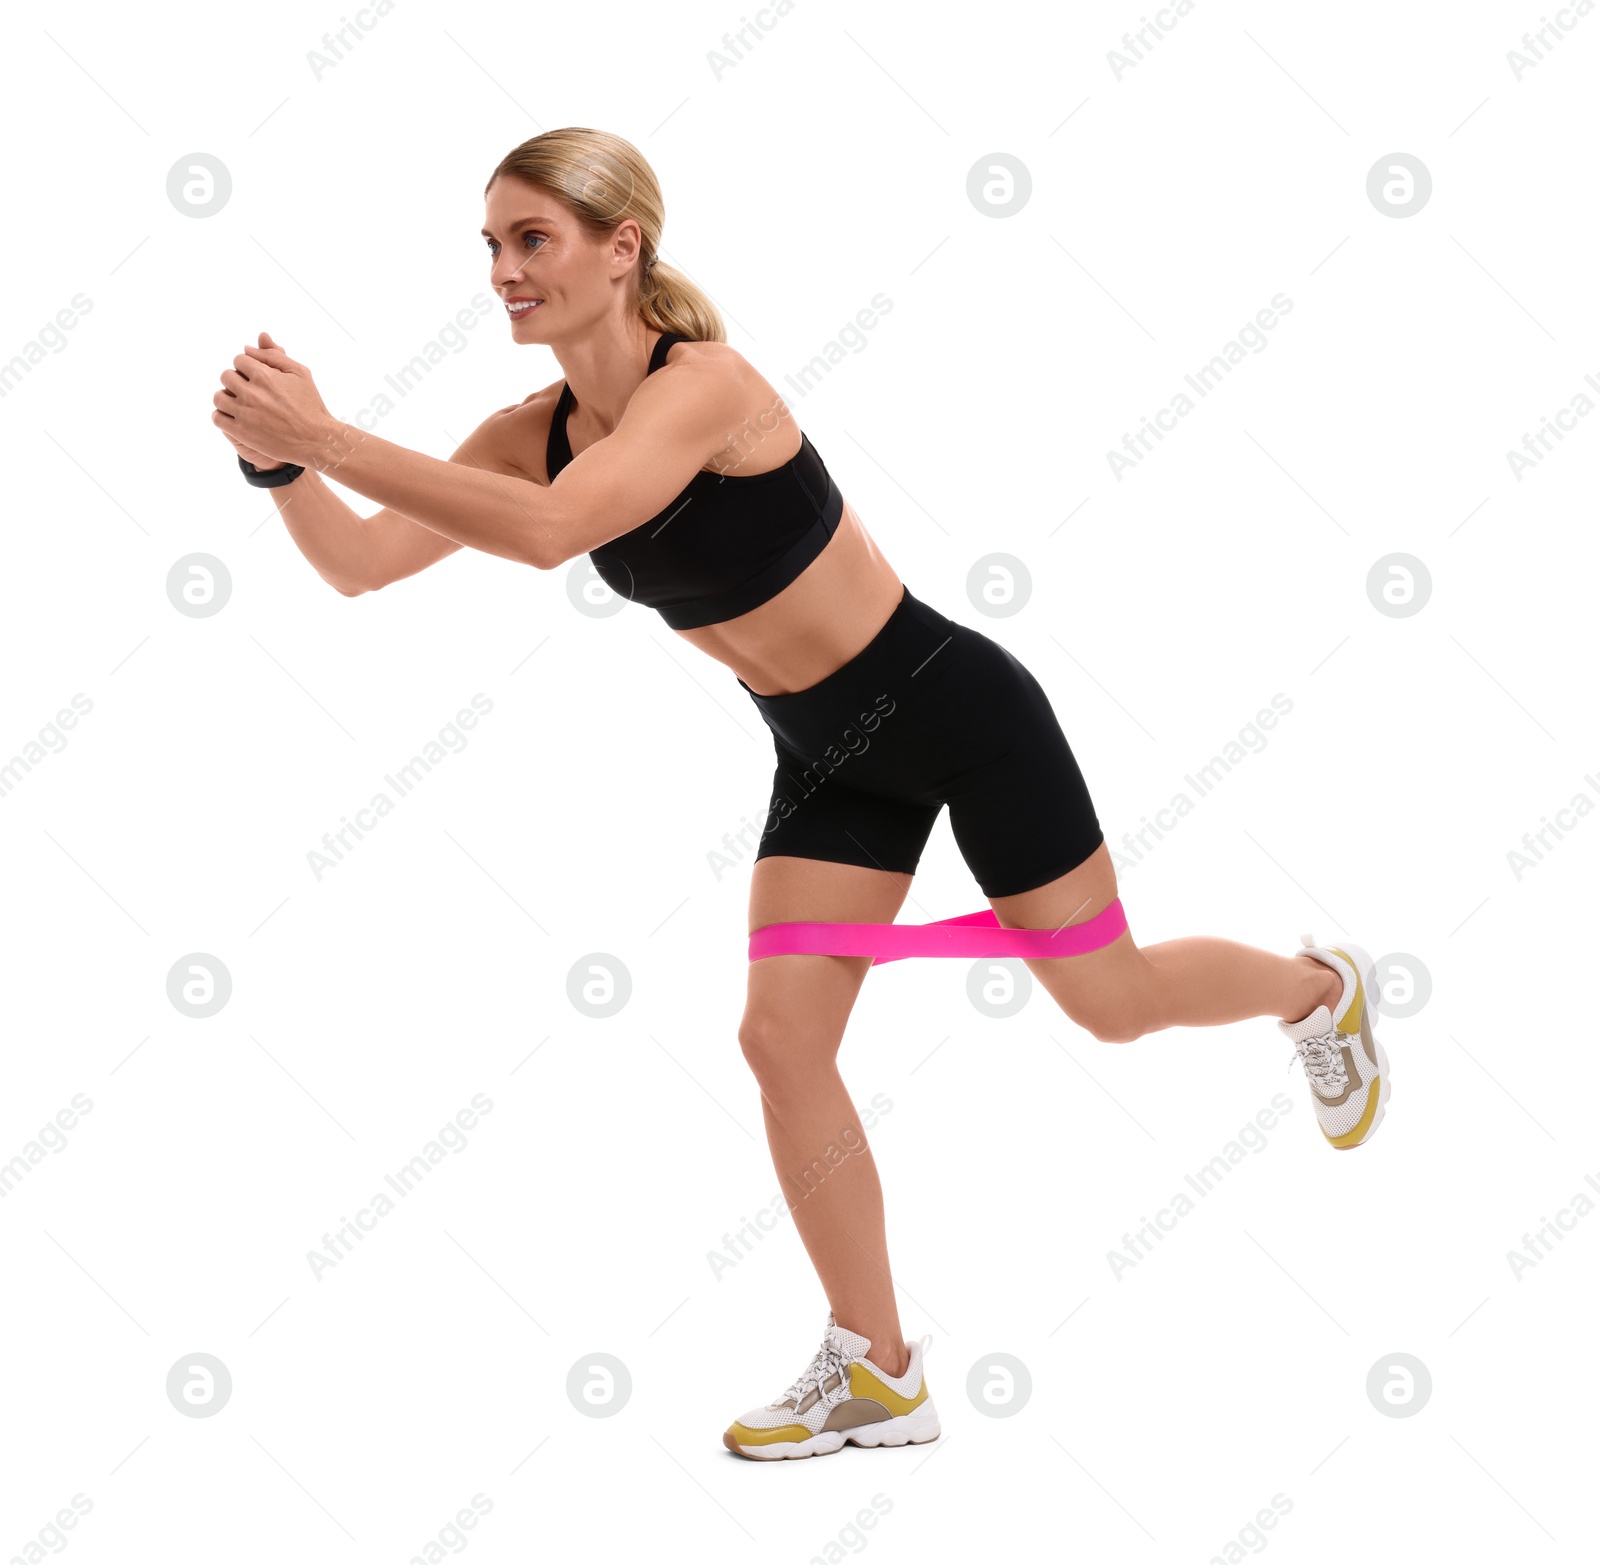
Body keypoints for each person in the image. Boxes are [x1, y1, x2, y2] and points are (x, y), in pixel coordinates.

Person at [212, 126, 1391, 1463]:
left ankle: (1317, 991)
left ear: (623, 247)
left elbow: (554, 532)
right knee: (779, 1043)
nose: (503, 269)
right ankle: (877, 1367)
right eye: (489, 244)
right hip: (826, 755)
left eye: (531, 238)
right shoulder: (524, 433)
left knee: (1110, 1006)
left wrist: (327, 429)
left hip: (957, 714)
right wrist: (281, 466)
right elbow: (362, 567)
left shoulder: (705, 387)